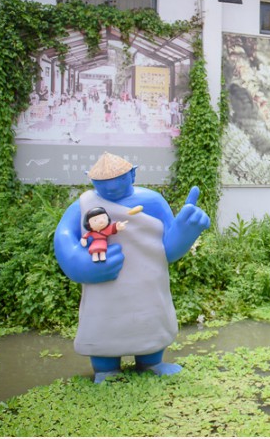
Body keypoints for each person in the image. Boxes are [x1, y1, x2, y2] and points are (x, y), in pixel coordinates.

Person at [54, 152, 210, 383]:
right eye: (104, 181)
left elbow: (167, 250)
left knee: (149, 319)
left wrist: (186, 232)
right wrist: (81, 264)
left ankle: (151, 361)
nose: (112, 185)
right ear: (91, 180)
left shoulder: (153, 201)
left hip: (148, 282)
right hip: (106, 287)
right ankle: (106, 368)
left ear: (133, 174)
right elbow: (64, 236)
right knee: (105, 322)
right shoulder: (85, 205)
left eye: (119, 178)